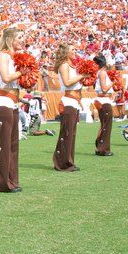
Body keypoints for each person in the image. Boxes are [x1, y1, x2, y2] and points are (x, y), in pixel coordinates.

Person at [0, 27, 29, 193]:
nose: (22, 40)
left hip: (12, 102)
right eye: (19, 37)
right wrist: (22, 72)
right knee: (4, 144)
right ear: (10, 39)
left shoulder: (16, 58)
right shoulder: (3, 56)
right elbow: (6, 78)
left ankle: (11, 180)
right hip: (3, 101)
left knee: (13, 144)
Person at [53, 43, 85, 172]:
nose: (75, 51)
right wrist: (82, 76)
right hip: (68, 102)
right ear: (66, 52)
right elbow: (67, 82)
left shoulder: (72, 65)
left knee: (71, 134)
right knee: (67, 133)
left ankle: (68, 161)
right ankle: (63, 162)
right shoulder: (64, 65)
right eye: (72, 49)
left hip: (74, 102)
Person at [93, 55, 114, 156]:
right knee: (106, 125)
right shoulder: (102, 73)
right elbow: (104, 89)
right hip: (104, 100)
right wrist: (113, 83)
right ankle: (103, 149)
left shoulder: (101, 72)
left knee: (103, 124)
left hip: (103, 100)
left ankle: (99, 146)